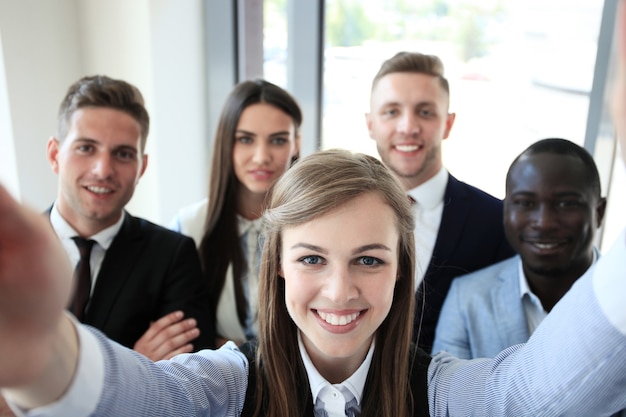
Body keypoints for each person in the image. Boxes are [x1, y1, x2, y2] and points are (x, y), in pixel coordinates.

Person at [2, 146, 626, 416]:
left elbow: (529, 395)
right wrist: (40, 352)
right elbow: (139, 399)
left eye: (369, 260)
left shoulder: (438, 393)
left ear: (401, 269)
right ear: (275, 264)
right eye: (311, 259)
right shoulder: (226, 384)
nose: (338, 292)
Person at [44, 75, 214, 359]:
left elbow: (187, 387)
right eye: (86, 148)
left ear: (141, 167)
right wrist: (134, 363)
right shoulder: (10, 249)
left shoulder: (172, 256)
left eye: (123, 154)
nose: (103, 169)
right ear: (54, 155)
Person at [365, 51, 515, 351]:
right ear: (371, 124)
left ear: (448, 124)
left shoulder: (497, 223)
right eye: (391, 111)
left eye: (425, 112)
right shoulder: (339, 214)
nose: (408, 127)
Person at [432, 138, 607, 359]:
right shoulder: (467, 298)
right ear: (505, 211)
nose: (544, 222)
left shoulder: (618, 292)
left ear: (598, 212)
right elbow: (448, 392)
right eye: (525, 203)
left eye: (566, 204)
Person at [170, 79, 301, 347]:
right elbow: (182, 333)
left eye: (277, 140)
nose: (261, 156)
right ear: (226, 142)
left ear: (296, 144)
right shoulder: (189, 226)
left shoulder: (313, 224)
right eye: (245, 139)